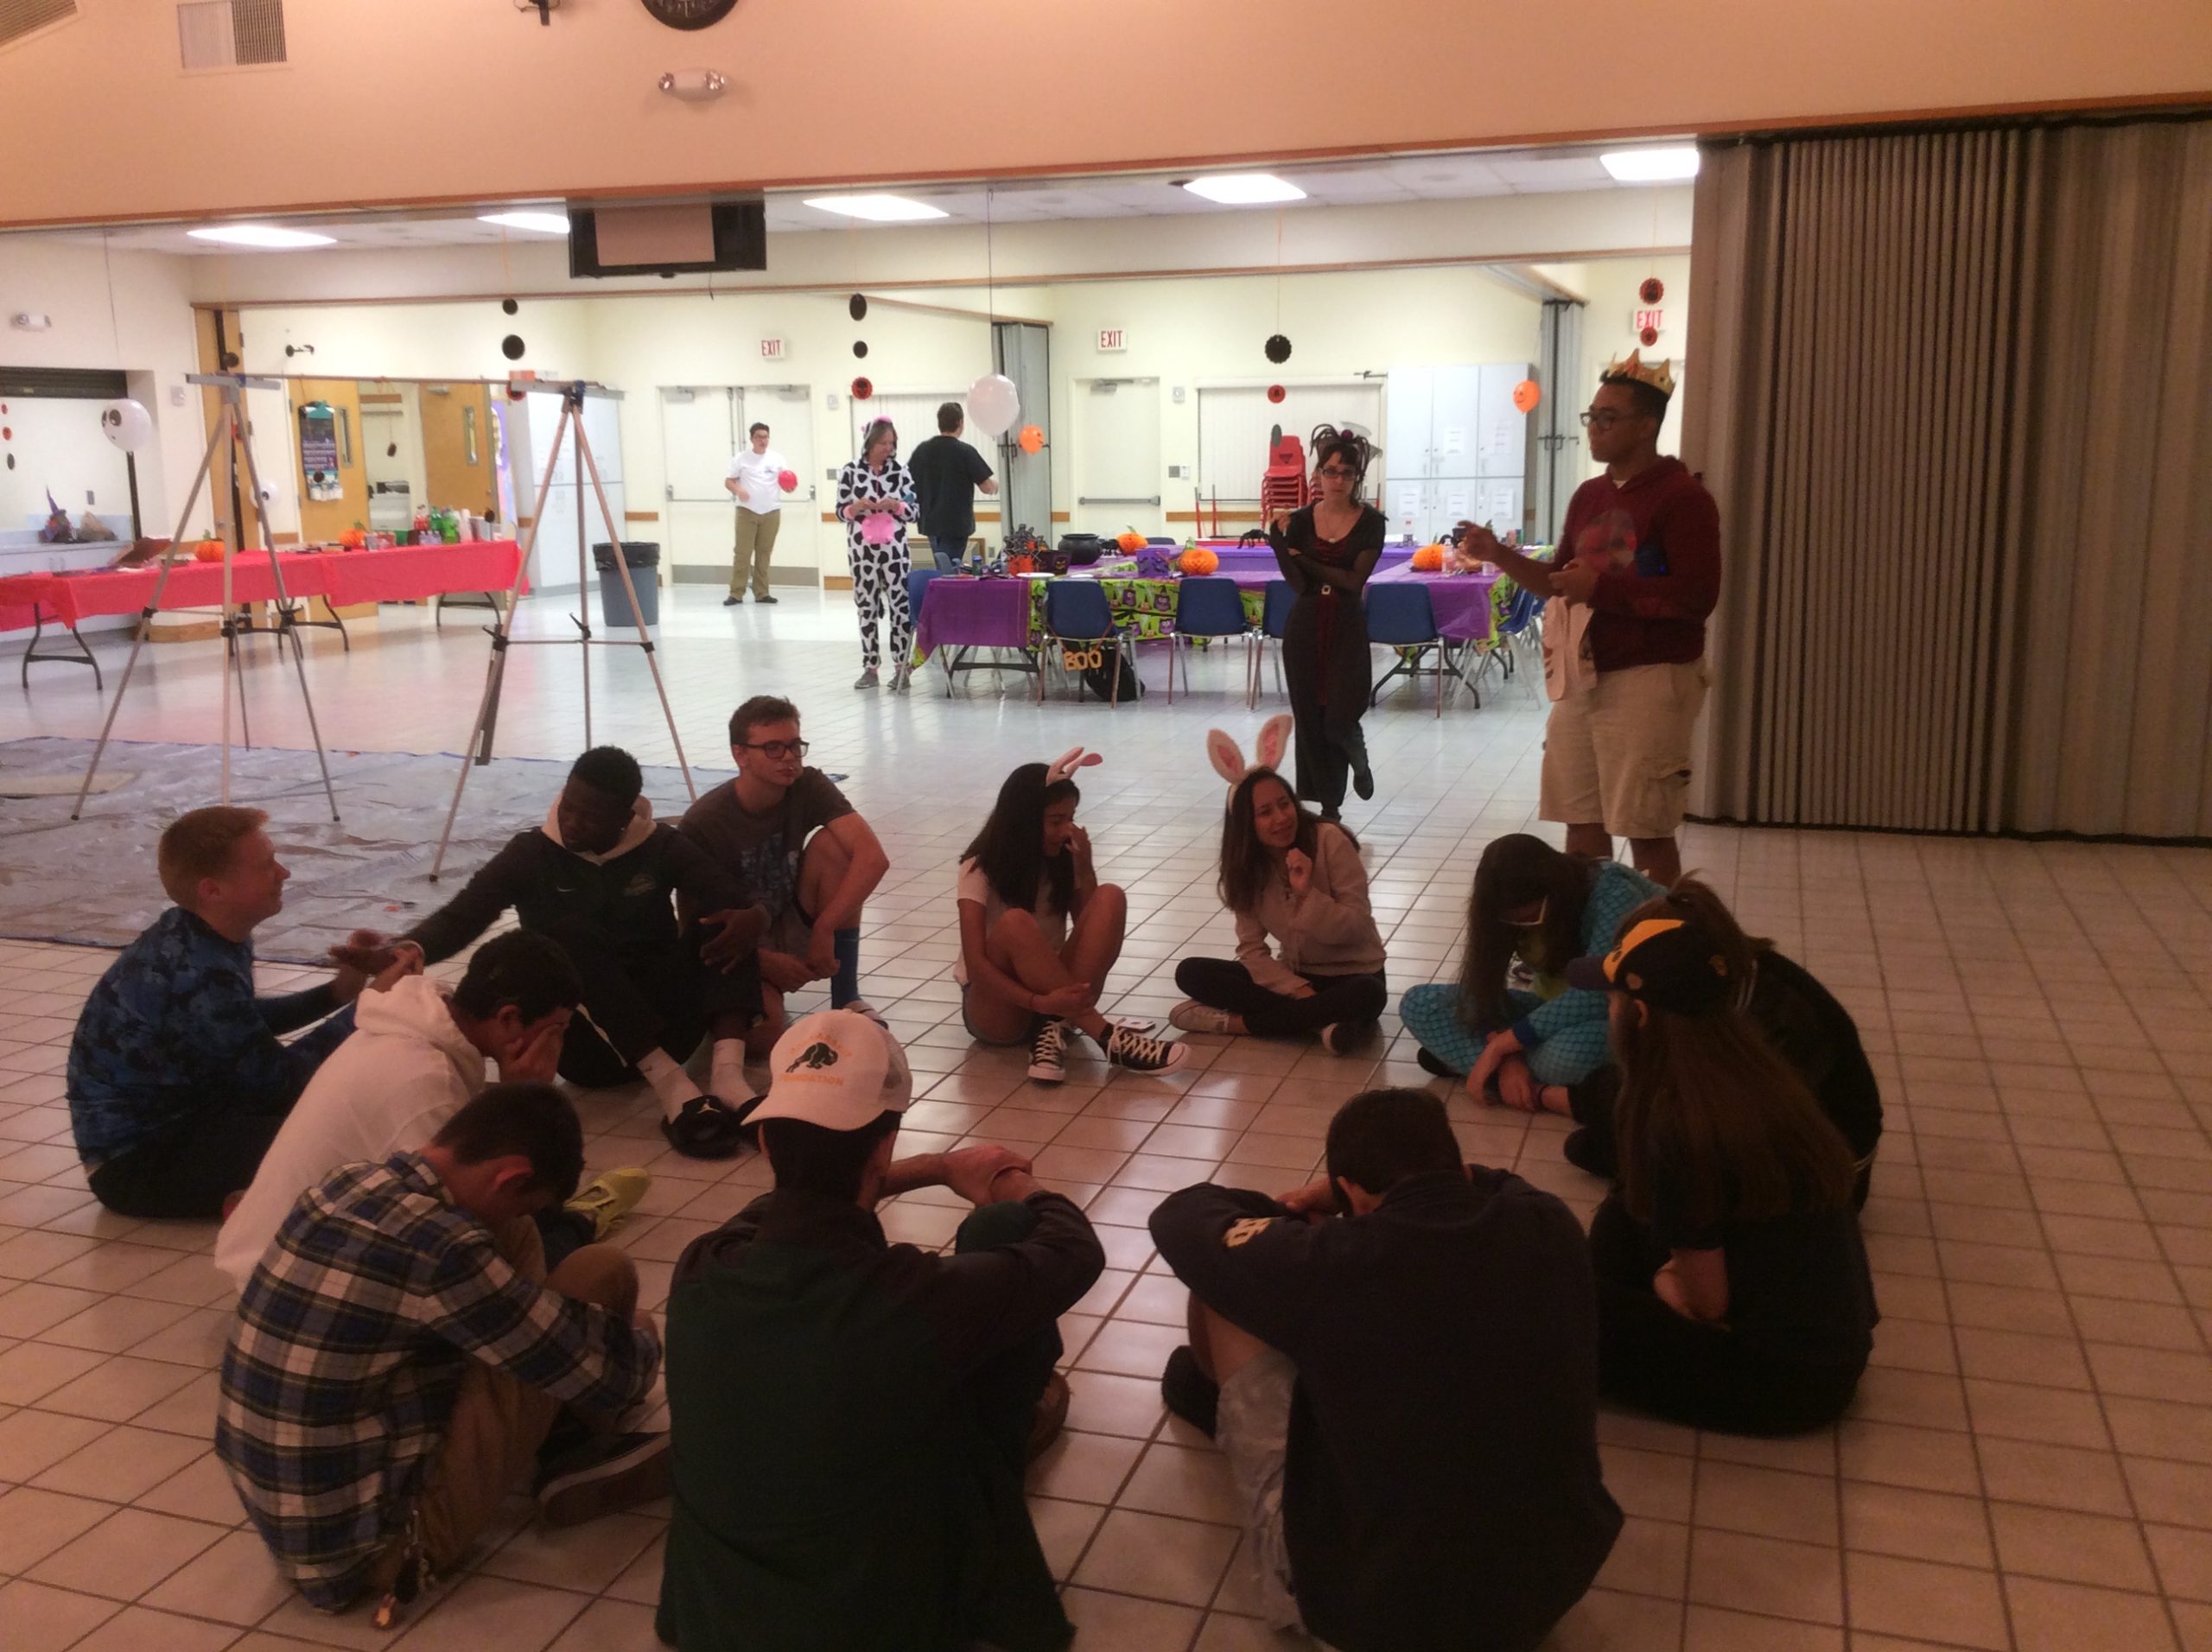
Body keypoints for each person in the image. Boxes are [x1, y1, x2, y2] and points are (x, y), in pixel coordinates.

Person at [658, 1009, 1103, 1652]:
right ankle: (999, 1467)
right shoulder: (914, 1303)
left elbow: (775, 1210)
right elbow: (1073, 1250)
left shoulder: (702, 1266)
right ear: (884, 1144)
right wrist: (1013, 1181)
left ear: (766, 1145)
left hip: (716, 1620)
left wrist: (926, 1169)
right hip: (874, 1625)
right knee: (1002, 1230)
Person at [1149, 1087, 1622, 1652]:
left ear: (1352, 1193)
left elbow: (1181, 1217)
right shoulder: (1547, 1221)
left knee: (1222, 1283)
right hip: (1548, 1587)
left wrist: (1289, 1215)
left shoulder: (1330, 1261)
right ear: (1456, 1169)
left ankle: (1214, 1401)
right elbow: (1494, 1180)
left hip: (1376, 1622)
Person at [218, 1083, 668, 1625]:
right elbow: (606, 1373)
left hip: (297, 1522)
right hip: (381, 1550)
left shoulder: (347, 1182)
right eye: (524, 1198)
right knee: (602, 1277)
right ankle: (578, 1446)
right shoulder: (442, 1249)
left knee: (523, 1248)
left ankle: (558, 1423)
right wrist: (645, 1342)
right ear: (509, 1177)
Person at [346, 746, 768, 1160]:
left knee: (729, 918)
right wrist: (406, 949)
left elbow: (733, 893)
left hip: (671, 1025)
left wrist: (757, 916)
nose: (572, 823)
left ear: (625, 818)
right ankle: (674, 1089)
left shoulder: (659, 844)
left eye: (590, 816)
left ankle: (728, 1080)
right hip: (586, 1048)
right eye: (568, 807)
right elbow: (465, 914)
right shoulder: (532, 853)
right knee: (564, 936)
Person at [1567, 917, 1878, 1433]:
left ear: (1639, 1015)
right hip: (1834, 1348)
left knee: (1565, 1304)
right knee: (1623, 1212)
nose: (1609, 1012)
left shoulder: (1678, 1124)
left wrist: (1665, 1280)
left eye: (1612, 1001)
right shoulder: (1756, 1075)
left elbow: (1707, 1304)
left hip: (1786, 1381)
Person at [215, 931, 650, 1293]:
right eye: (556, 1030)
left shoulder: (427, 1022)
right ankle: (581, 1220)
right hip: (291, 1280)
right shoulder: (426, 1082)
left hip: (295, 1248)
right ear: (509, 1018)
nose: (559, 1044)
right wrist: (526, 1096)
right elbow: (456, 1230)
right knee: (537, 1252)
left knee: (525, 1228)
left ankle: (568, 1218)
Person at [1456, 353, 1720, 887]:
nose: (1594, 428)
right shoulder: (1589, 495)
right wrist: (1498, 554)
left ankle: (1657, 933)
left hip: (1650, 676)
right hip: (1581, 677)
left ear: (1646, 425)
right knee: (1580, 822)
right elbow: (1558, 581)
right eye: (1591, 416)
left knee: (1645, 827)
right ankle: (1590, 928)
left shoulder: (1683, 498)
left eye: (1608, 418)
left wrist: (1600, 589)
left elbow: (1697, 597)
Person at [67, 805, 380, 1219]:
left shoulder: (199, 933)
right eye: (266, 866)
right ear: (213, 890)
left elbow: (240, 1024)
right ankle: (253, 1204)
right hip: (139, 1165)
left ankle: (259, 1193)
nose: (284, 873)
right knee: (347, 1135)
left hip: (187, 1123)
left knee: (348, 1108)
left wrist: (337, 993)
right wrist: (371, 1007)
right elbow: (280, 1083)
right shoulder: (195, 970)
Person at [1563, 878, 1883, 1201]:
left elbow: (1723, 1125)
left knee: (1621, 1120)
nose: (1612, 1003)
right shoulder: (1735, 984)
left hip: (1815, 1183)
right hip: (1800, 1158)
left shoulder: (1775, 1023)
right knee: (1606, 1103)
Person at [956, 750, 1188, 1083]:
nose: (1067, 830)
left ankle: (1052, 1032)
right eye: (1056, 821)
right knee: (1016, 923)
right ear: (1024, 822)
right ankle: (1108, 1037)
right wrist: (1038, 1002)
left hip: (1058, 998)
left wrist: (1085, 868)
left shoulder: (1063, 858)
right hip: (1000, 1006)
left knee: (1110, 896)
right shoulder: (978, 867)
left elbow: (1093, 932)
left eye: (1071, 818)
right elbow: (977, 965)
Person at [679, 696, 889, 1055]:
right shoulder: (705, 822)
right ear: (740, 755)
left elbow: (873, 858)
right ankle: (758, 996)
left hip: (789, 916)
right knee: (764, 1039)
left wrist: (825, 928)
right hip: (739, 944)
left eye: (795, 746)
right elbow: (695, 930)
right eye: (773, 748)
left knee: (835, 847)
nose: (789, 757)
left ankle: (846, 996)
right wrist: (764, 963)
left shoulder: (807, 784)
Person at [1398, 834, 1660, 1110]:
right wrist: (1508, 1057)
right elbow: (1483, 990)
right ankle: (1520, 1081)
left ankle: (1510, 1080)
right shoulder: (1502, 910)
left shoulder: (1612, 892)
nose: (1522, 927)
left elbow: (1596, 995)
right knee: (1418, 1003)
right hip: (1550, 1009)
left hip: (1626, 1015)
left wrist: (1501, 1045)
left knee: (1564, 1056)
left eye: (1529, 918)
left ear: (1554, 892)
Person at [1170, 730, 1388, 1054]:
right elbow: (1252, 951)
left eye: (1285, 805)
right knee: (1191, 972)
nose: (1281, 818)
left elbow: (1355, 928)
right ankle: (1322, 1023)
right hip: (1294, 977)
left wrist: (1307, 895)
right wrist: (1299, 991)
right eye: (1265, 813)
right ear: (1246, 824)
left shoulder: (1329, 840)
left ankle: (1239, 1024)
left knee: (1368, 993)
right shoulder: (1246, 867)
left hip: (1353, 975)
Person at [1266, 425, 1388, 822]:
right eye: (1330, 471)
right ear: (1318, 474)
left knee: (1338, 717)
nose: (1337, 480)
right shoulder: (1300, 520)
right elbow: (1299, 583)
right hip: (1305, 625)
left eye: (1346, 473)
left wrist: (1305, 558)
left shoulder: (1371, 523)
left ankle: (1358, 756)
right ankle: (1329, 807)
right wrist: (1279, 543)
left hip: (1345, 626)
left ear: (1357, 478)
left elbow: (1353, 581)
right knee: (1310, 719)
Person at [836, 416, 918, 691]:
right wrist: (855, 507)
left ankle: (901, 668)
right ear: (870, 443)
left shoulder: (901, 472)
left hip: (895, 552)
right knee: (866, 607)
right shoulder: (850, 472)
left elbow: (915, 511)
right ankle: (870, 668)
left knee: (900, 607)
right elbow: (840, 512)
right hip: (862, 552)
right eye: (883, 443)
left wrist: (896, 506)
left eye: (891, 443)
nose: (888, 448)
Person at [906, 400, 1000, 575]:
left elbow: (907, 483)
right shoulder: (965, 451)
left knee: (942, 565)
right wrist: (996, 485)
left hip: (930, 522)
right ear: (960, 422)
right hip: (956, 524)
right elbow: (987, 487)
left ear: (939, 423)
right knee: (948, 571)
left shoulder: (922, 450)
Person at [723, 419, 790, 607]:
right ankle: (736, 593)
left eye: (766, 437)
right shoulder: (741, 459)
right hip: (747, 511)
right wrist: (739, 490)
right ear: (752, 439)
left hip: (771, 511)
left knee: (764, 553)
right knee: (743, 553)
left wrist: (789, 487)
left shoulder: (777, 459)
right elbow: (729, 481)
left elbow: (786, 481)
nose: (763, 440)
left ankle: (762, 592)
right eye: (759, 437)